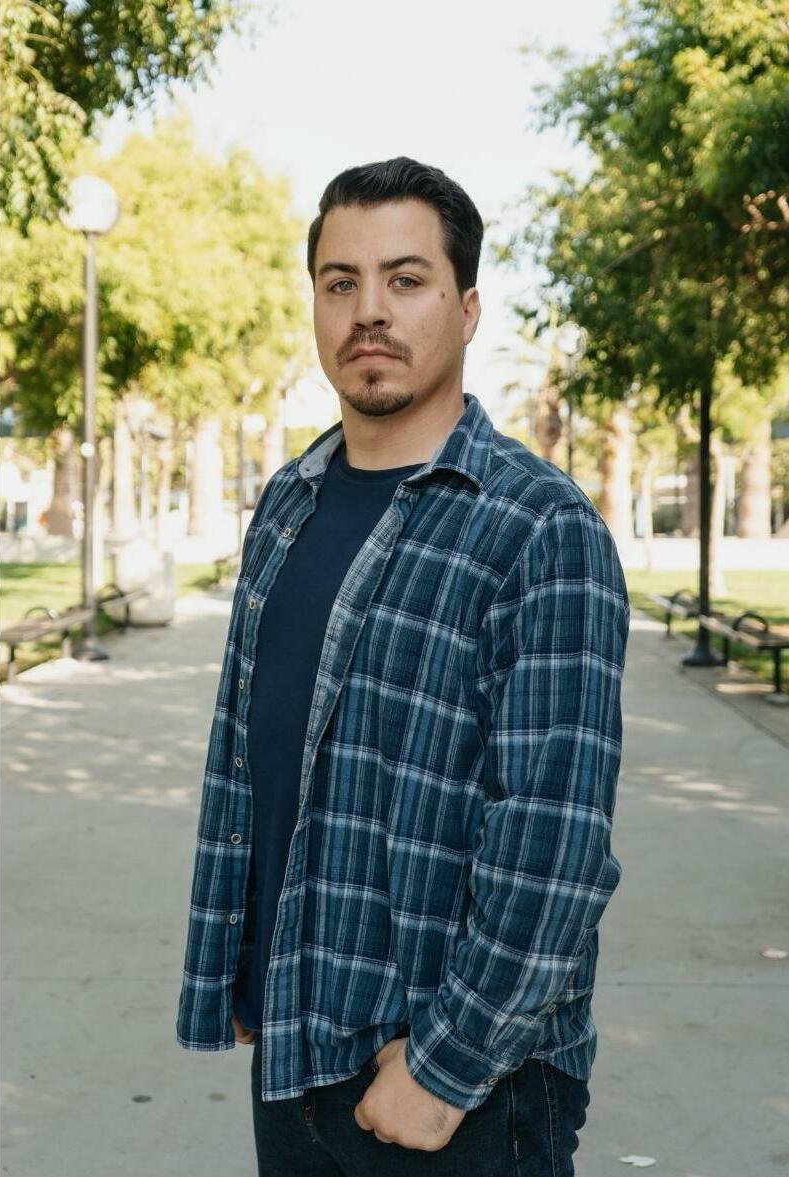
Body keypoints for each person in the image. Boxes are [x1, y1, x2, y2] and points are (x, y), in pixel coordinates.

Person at [176, 157, 628, 1175]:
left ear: (466, 310)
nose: (368, 311)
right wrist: (246, 973)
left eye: (405, 279)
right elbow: (254, 758)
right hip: (300, 1049)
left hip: (458, 1083)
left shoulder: (536, 524)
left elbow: (554, 845)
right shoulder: (288, 504)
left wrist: (443, 1069)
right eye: (341, 283)